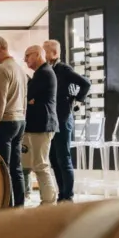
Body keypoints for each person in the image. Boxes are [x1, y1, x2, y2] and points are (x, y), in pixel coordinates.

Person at [43, 39, 91, 202]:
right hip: (52, 120)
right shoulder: (49, 70)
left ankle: (68, 196)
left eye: (45, 51)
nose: (43, 54)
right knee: (54, 158)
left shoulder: (63, 69)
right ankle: (62, 194)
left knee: (63, 158)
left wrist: (76, 100)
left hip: (63, 119)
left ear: (54, 53)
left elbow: (85, 83)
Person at [0, 36, 27, 207]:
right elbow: (24, 98)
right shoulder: (19, 68)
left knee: (1, 167)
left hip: (5, 122)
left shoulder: (3, 69)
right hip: (19, 121)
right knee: (16, 167)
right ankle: (19, 206)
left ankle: (6, 207)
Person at [23, 44, 59, 205]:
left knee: (41, 165)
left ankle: (49, 201)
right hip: (40, 125)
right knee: (38, 164)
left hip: (42, 125)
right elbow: (29, 99)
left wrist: (31, 101)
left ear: (37, 54)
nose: (25, 59)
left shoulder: (43, 73)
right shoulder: (42, 73)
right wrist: (31, 101)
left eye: (27, 55)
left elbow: (27, 96)